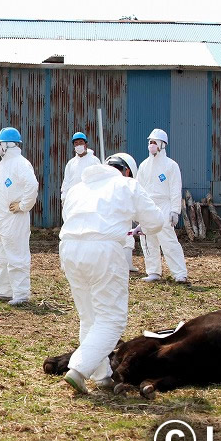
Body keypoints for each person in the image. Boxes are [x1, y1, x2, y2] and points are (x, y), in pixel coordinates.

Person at [59, 152, 164, 394]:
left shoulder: (78, 188)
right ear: (127, 171)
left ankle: (102, 376)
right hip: (103, 250)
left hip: (69, 249)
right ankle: (78, 370)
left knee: (90, 317)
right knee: (112, 320)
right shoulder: (127, 184)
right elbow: (156, 220)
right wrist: (141, 228)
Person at [0, 127, 39, 306]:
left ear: (9, 145)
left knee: (17, 257)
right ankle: (5, 292)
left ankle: (21, 294)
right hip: (0, 218)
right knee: (1, 258)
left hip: (14, 218)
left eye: (0, 144)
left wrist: (23, 205)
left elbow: (32, 185)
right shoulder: (4, 163)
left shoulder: (21, 163)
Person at [136, 128, 188, 283]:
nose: (151, 145)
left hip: (164, 205)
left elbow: (175, 189)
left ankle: (179, 273)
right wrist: (138, 211)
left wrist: (174, 210)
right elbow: (138, 189)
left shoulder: (171, 166)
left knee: (168, 241)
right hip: (148, 206)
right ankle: (153, 271)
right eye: (150, 142)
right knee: (148, 240)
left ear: (162, 145)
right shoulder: (144, 165)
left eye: (154, 142)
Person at [60, 131, 101, 203]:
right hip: (74, 200)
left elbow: (100, 179)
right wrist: (64, 198)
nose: (78, 145)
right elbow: (66, 182)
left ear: (86, 144)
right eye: (76, 143)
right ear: (74, 146)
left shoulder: (94, 161)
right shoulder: (71, 163)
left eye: (81, 142)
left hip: (89, 200)